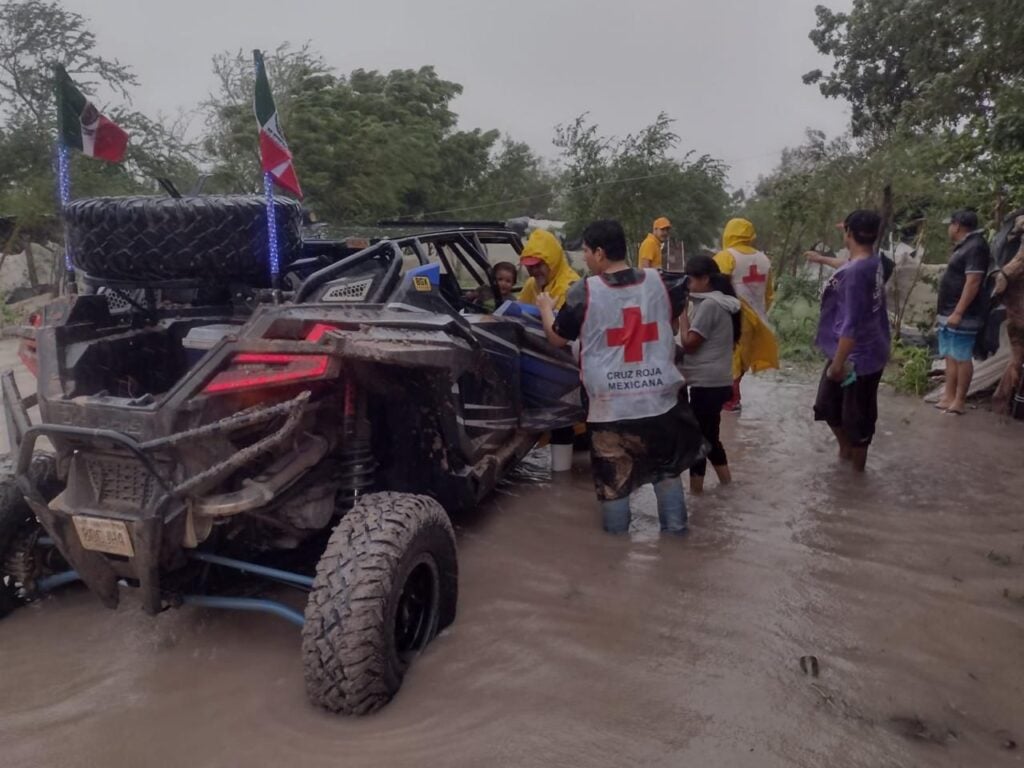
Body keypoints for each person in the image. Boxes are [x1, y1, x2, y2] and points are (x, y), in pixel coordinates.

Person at [535, 220, 704, 535]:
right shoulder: (664, 283)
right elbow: (674, 309)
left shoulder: (583, 292)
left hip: (610, 409)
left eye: (585, 251)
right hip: (661, 402)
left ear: (599, 252)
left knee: (614, 484)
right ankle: (677, 545)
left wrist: (545, 307)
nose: (583, 258)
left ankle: (615, 556)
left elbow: (558, 339)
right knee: (667, 476)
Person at [813, 210, 892, 472]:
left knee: (858, 418)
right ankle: (844, 450)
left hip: (856, 356)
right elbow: (848, 265)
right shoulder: (872, 260)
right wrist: (847, 232)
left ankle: (857, 474)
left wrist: (838, 364)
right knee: (826, 404)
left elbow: (852, 325)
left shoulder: (857, 273)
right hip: (857, 349)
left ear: (849, 233)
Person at [679, 255, 741, 494]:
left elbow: (689, 343)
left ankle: (696, 494)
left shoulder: (710, 305)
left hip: (707, 383)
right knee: (710, 438)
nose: (688, 285)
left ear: (705, 279)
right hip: (717, 382)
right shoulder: (724, 302)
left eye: (690, 280)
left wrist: (682, 314)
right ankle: (728, 486)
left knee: (699, 441)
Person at [712, 218, 779, 411]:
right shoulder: (764, 259)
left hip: (731, 317)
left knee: (729, 358)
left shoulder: (726, 257)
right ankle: (734, 397)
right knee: (741, 359)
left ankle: (730, 399)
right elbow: (769, 294)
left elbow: (717, 287)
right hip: (755, 317)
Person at [935, 209, 991, 415]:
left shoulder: (976, 247)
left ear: (957, 225)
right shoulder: (965, 246)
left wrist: (958, 312)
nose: (949, 228)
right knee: (950, 355)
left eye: (950, 225)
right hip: (948, 310)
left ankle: (959, 400)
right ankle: (948, 395)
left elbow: (973, 281)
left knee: (961, 356)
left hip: (964, 313)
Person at [992, 214, 1024, 416]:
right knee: (1017, 357)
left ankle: (1004, 404)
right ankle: (1005, 404)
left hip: (1017, 305)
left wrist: (1002, 277)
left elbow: (1018, 262)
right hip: (1017, 306)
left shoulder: (1012, 226)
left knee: (1017, 357)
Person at [517, 229, 580, 310]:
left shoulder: (571, 288)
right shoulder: (531, 283)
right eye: (530, 266)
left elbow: (560, 322)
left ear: (553, 262)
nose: (534, 271)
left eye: (538, 265)